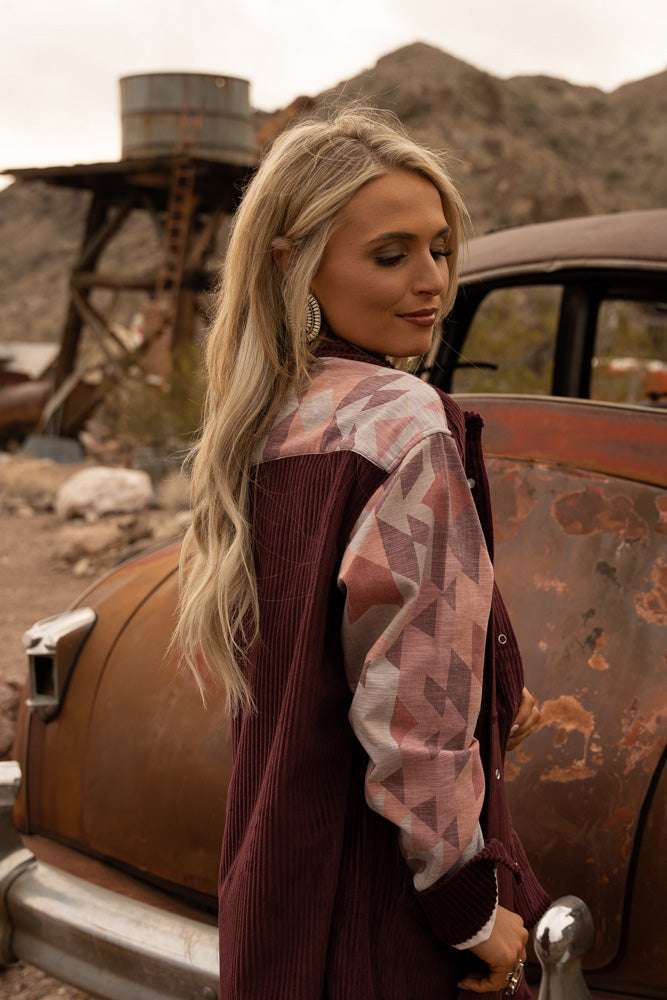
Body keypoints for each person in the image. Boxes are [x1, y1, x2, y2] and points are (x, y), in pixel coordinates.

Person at [174, 107, 550, 999]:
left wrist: (492, 693)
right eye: (390, 254)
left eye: (440, 248)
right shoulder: (406, 423)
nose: (431, 282)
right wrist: (467, 903)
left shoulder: (261, 420)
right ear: (291, 263)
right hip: (385, 912)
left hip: (276, 880)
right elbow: (406, 712)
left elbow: (327, 653)